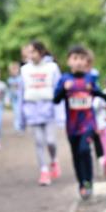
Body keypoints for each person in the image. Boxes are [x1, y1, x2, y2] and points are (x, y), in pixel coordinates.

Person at [53, 45, 106, 200]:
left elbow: (99, 94)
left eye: (82, 59)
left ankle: (89, 181)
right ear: (69, 61)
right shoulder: (64, 79)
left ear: (87, 62)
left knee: (85, 150)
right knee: (76, 154)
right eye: (75, 58)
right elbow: (55, 100)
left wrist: (103, 94)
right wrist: (64, 90)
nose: (78, 62)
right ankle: (82, 184)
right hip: (72, 126)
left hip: (89, 123)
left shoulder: (90, 78)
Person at [20, 40, 64, 185]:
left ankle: (54, 160)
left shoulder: (52, 68)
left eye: (33, 51)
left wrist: (60, 114)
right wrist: (21, 118)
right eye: (29, 52)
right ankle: (44, 171)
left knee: (50, 141)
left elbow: (59, 90)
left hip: (49, 109)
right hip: (32, 110)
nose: (30, 55)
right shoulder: (25, 69)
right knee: (39, 141)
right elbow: (21, 92)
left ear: (41, 52)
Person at [6, 60, 25, 134]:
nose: (14, 71)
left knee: (22, 113)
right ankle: (17, 127)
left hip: (21, 99)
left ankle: (22, 126)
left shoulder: (21, 78)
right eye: (12, 70)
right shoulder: (9, 80)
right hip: (14, 100)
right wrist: (8, 99)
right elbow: (9, 91)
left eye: (15, 70)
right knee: (17, 113)